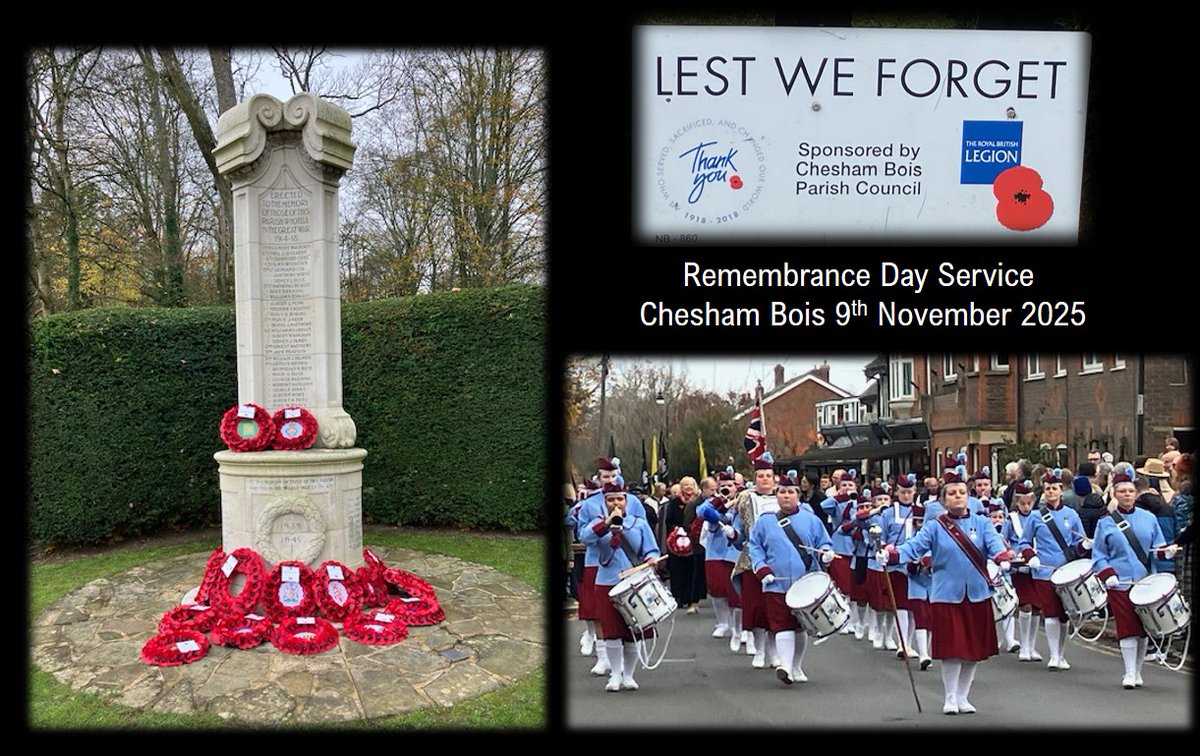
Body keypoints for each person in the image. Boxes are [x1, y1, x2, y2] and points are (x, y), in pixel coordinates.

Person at [880, 469, 1013, 715]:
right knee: (952, 649)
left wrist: (1002, 556)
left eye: (962, 492)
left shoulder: (982, 523)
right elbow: (914, 547)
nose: (958, 497)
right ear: (944, 499)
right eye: (952, 493)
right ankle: (950, 697)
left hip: (977, 593)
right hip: (946, 594)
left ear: (968, 496)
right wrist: (892, 553)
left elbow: (995, 544)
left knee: (973, 651)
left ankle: (964, 697)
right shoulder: (935, 527)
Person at [1091, 470, 1180, 688]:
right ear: (1114, 493)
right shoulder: (1105, 522)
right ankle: (1129, 672)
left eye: (1131, 491)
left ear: (1136, 493)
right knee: (1127, 626)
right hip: (1119, 582)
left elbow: (1156, 547)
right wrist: (1107, 573)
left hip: (1144, 582)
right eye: (1122, 491)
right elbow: (1098, 555)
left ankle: (1138, 671)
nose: (1127, 495)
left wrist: (1166, 552)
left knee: (1142, 629)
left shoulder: (1149, 518)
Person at [748, 472, 835, 685]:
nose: (786, 496)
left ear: (798, 495)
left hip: (804, 583)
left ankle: (796, 666)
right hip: (776, 583)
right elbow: (755, 547)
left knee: (800, 626)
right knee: (781, 624)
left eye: (791, 492)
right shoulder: (765, 522)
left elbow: (824, 542)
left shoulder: (811, 520)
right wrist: (762, 569)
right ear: (777, 496)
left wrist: (826, 553)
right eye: (782, 492)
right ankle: (785, 666)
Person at [582, 483, 661, 692]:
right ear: (605, 502)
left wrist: (652, 558)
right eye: (611, 500)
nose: (616, 503)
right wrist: (608, 523)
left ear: (626, 500)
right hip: (606, 582)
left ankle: (629, 675)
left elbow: (651, 548)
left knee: (632, 631)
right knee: (611, 631)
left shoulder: (638, 523)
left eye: (620, 499)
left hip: (635, 582)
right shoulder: (598, 525)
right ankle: (615, 675)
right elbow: (585, 538)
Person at [1014, 468, 1088, 671]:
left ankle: (1061, 654)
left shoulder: (1071, 515)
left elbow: (1077, 543)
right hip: (1044, 571)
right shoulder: (1036, 516)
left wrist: (1085, 546)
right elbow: (1024, 543)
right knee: (1051, 612)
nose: (1051, 492)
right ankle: (1054, 655)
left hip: (1066, 571)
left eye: (1054, 488)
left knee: (1064, 615)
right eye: (1047, 489)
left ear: (1061, 490)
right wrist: (1032, 557)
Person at [731, 455, 781, 667]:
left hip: (779, 560)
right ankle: (759, 651)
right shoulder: (746, 500)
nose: (764, 480)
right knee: (758, 608)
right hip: (753, 560)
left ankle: (775, 653)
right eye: (760, 476)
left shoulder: (783, 499)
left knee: (776, 609)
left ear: (774, 478)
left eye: (768, 476)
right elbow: (739, 532)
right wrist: (732, 535)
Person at [697, 472, 741, 647]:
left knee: (736, 590)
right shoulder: (712, 502)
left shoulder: (743, 499)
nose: (726, 488)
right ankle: (723, 623)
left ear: (736, 486)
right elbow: (702, 513)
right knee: (717, 589)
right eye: (723, 485)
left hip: (736, 551)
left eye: (730, 485)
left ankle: (739, 627)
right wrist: (723, 505)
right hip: (715, 550)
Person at [1001, 481, 1043, 661]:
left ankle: (1032, 646)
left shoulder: (1038, 517)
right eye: (1022, 503)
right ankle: (1024, 645)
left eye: (1029, 503)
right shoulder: (1011, 519)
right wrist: (1009, 552)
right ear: (1016, 503)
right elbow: (1003, 540)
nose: (1026, 507)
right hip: (1020, 567)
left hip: (1037, 564)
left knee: (1037, 608)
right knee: (1025, 605)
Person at [662, 476, 704, 614]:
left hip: (694, 540)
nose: (688, 487)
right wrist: (677, 530)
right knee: (677, 570)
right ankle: (678, 597)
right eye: (685, 485)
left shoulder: (699, 502)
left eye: (691, 484)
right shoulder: (674, 503)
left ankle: (691, 597)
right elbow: (668, 520)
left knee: (692, 570)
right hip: (677, 540)